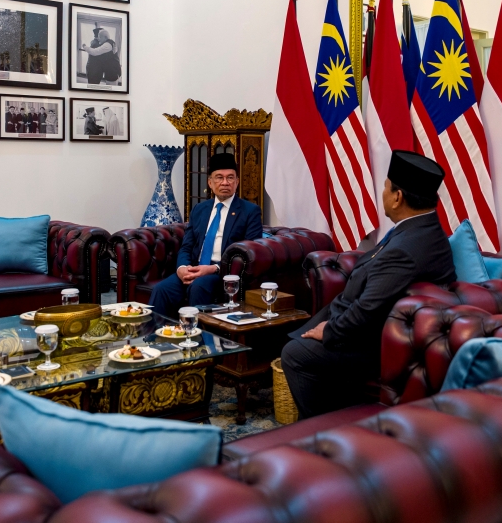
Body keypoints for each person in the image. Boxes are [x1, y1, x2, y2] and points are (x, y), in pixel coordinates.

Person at [280, 150, 456, 419]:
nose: (382, 194)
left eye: (385, 187)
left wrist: (329, 331)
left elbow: (368, 311)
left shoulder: (407, 247)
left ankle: (324, 432)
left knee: (293, 354)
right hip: (365, 324)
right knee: (294, 334)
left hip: (373, 342)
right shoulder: (422, 228)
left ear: (398, 197)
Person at [148, 153, 263, 318]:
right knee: (161, 289)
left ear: (237, 182)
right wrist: (182, 269)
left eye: (230, 178)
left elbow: (250, 253)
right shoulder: (200, 209)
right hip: (194, 268)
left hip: (221, 273)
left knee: (199, 286)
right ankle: (156, 338)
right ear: (210, 182)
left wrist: (214, 268)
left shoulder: (250, 211)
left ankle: (199, 340)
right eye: (219, 177)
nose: (225, 182)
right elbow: (187, 245)